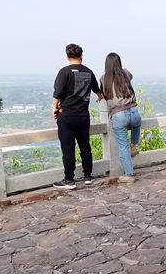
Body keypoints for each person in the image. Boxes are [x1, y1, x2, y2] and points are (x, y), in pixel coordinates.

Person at [52, 44, 101, 189]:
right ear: (81, 56)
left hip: (67, 115)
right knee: (85, 146)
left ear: (67, 57)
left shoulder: (64, 72)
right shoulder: (88, 72)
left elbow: (58, 94)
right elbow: (97, 91)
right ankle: (88, 176)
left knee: (68, 148)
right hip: (83, 116)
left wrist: (54, 108)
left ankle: (69, 180)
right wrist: (99, 97)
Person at [99, 52, 141, 184]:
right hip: (134, 111)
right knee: (137, 124)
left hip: (118, 114)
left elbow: (103, 93)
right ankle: (133, 146)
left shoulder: (103, 78)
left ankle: (129, 174)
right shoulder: (126, 74)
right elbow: (130, 76)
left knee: (122, 147)